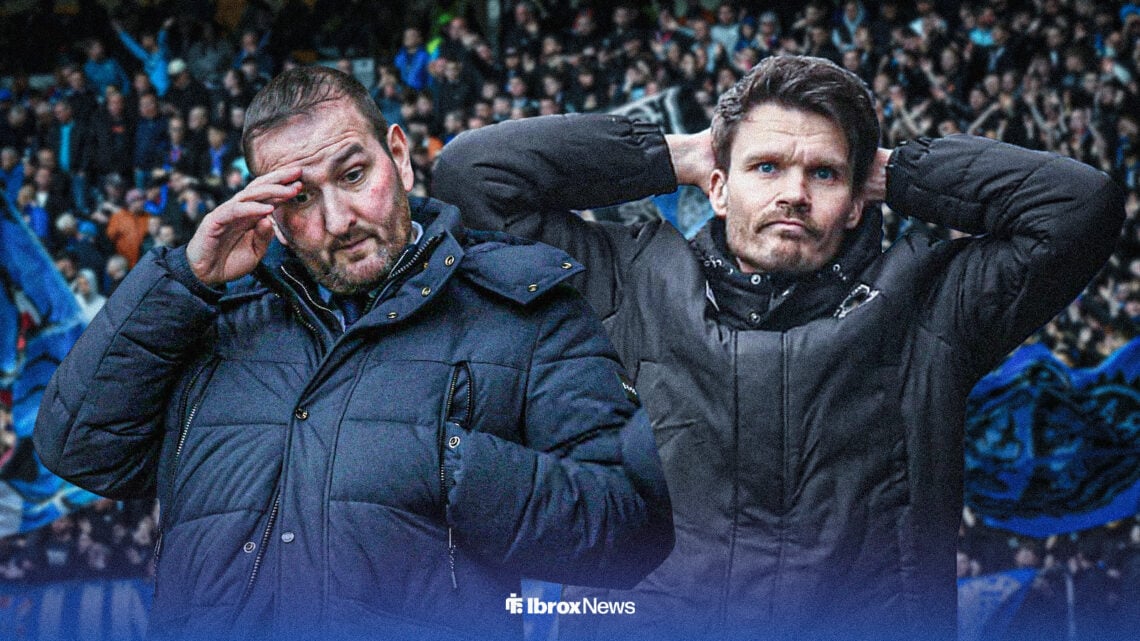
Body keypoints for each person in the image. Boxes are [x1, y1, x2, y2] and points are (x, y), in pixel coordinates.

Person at [432, 55, 1125, 641]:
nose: (793, 192)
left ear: (858, 201)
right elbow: (474, 176)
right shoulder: (626, 284)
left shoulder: (931, 305)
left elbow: (1077, 207)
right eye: (765, 167)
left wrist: (894, 172)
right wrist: (677, 154)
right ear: (717, 187)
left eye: (823, 174)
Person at [34, 66, 672, 641]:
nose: (338, 219)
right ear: (269, 212)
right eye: (300, 196)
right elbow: (79, 451)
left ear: (399, 155)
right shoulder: (208, 317)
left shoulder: (525, 306)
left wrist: (446, 462)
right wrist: (183, 281)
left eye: (353, 175)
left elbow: (629, 527)